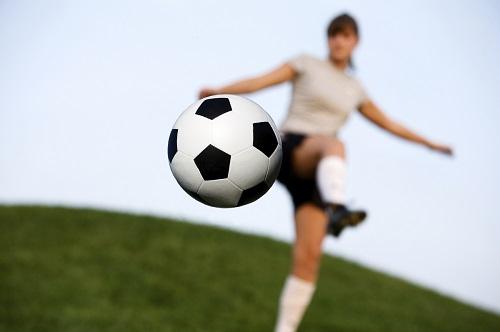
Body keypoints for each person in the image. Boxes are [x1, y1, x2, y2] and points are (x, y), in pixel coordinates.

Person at [198, 13, 453, 332]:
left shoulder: (354, 89)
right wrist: (219, 91)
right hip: (292, 149)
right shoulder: (307, 64)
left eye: (345, 35)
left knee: (308, 258)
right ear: (327, 39)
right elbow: (261, 81)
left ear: (355, 42)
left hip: (318, 179)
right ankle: (338, 208)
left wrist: (429, 143)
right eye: (333, 34)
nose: (338, 41)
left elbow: (389, 123)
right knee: (335, 146)